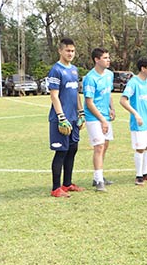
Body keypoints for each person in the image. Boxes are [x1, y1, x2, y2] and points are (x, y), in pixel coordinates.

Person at [47, 38, 86, 197]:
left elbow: (76, 92)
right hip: (60, 119)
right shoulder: (55, 70)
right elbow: (54, 96)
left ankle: (67, 184)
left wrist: (81, 112)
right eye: (67, 50)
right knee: (61, 152)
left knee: (72, 149)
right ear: (60, 51)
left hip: (73, 118)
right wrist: (61, 117)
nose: (70, 53)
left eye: (72, 51)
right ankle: (56, 188)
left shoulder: (74, 70)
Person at [120, 57, 147, 186]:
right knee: (140, 149)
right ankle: (138, 175)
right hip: (139, 122)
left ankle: (145, 172)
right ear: (143, 69)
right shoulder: (133, 82)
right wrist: (136, 114)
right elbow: (123, 100)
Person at [82, 48, 115, 192]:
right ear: (97, 59)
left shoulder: (110, 75)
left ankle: (98, 177)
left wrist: (112, 108)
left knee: (105, 146)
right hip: (94, 117)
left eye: (108, 57)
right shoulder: (90, 78)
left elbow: (109, 94)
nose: (108, 60)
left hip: (105, 117)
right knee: (99, 146)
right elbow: (89, 102)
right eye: (105, 58)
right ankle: (99, 180)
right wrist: (102, 119)